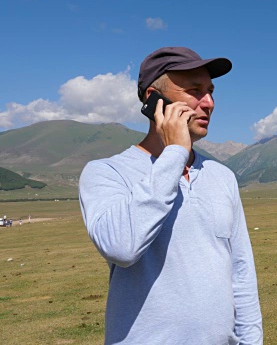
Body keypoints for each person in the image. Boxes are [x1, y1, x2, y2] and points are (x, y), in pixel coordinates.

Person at [79, 47, 262, 344]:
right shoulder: (105, 173)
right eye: (195, 91)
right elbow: (122, 247)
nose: (210, 103)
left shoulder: (222, 176)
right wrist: (175, 153)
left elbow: (241, 274)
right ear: (154, 98)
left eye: (211, 91)